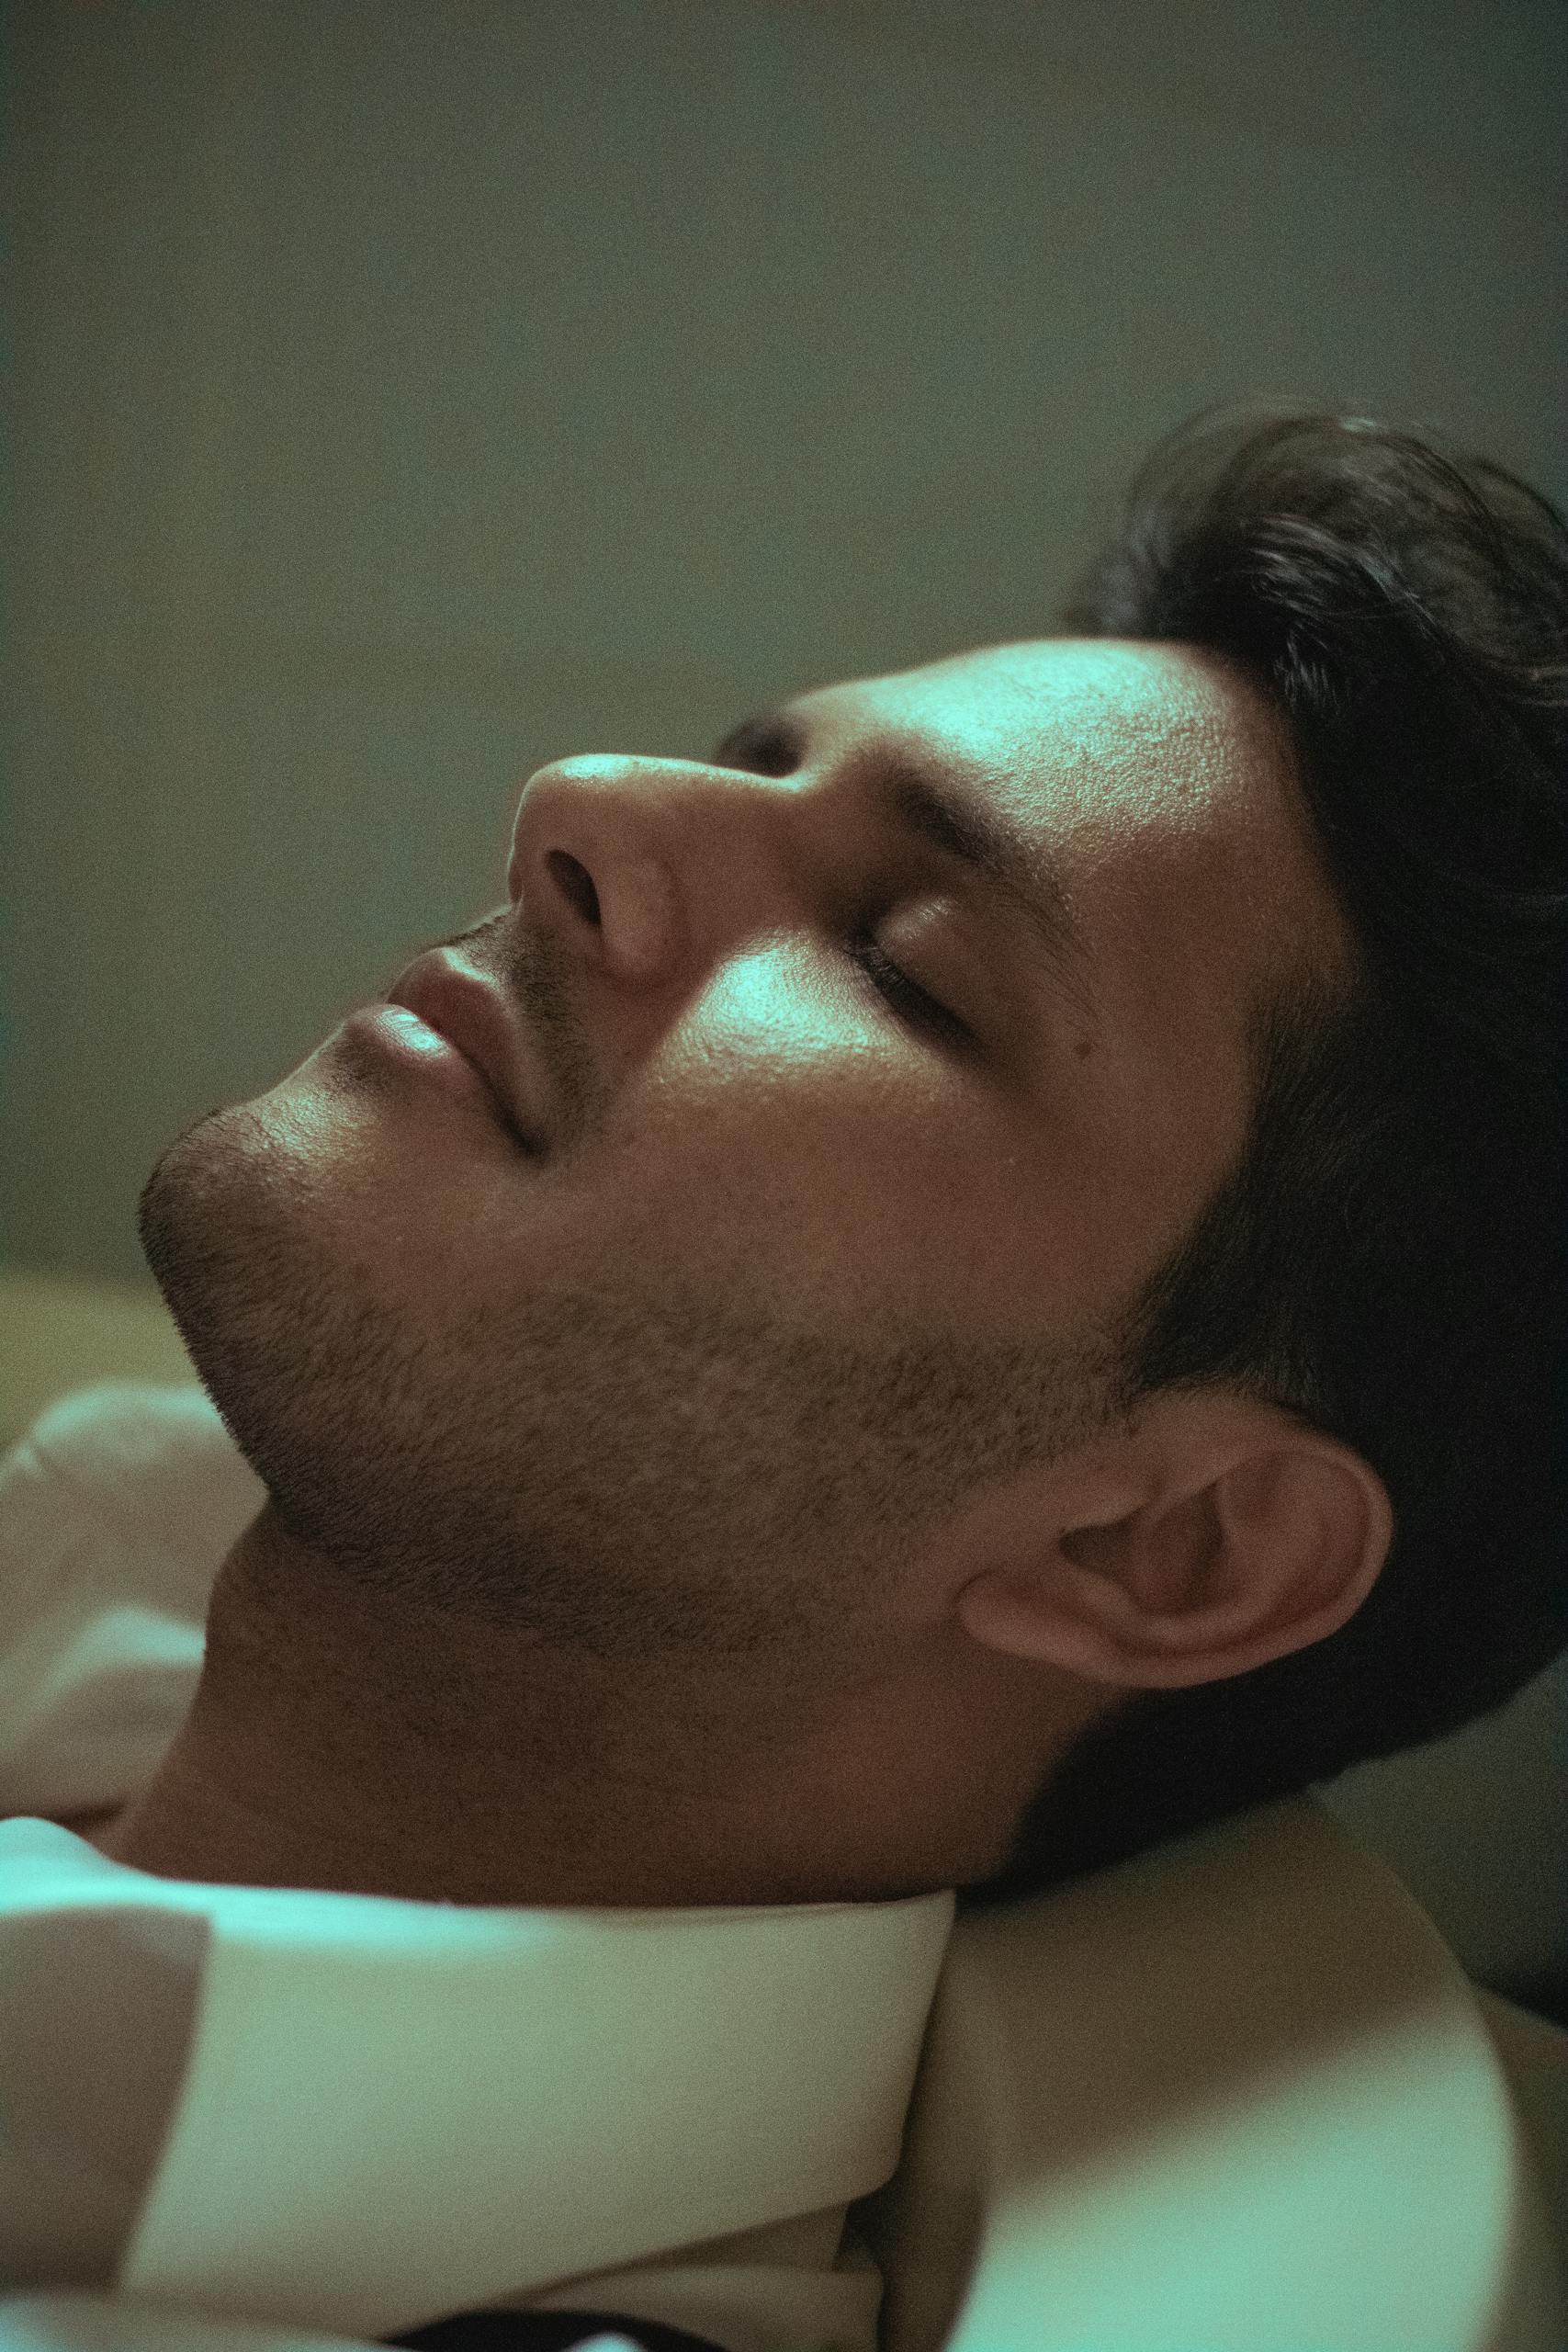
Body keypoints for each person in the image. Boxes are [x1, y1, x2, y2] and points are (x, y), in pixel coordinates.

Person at [3, 400, 1563, 2351]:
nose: (573, 797)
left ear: (1166, 1547)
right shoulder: (79, 1575)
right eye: (757, 765)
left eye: (901, 962)